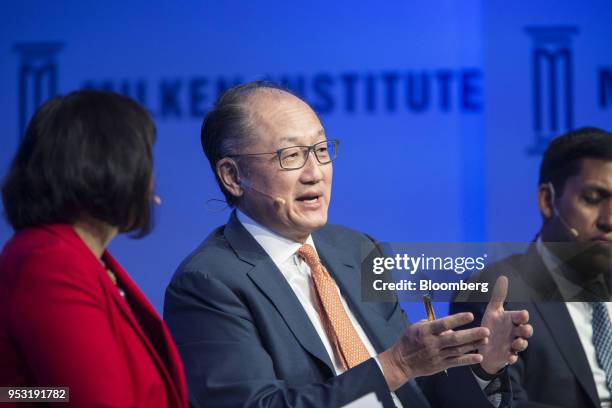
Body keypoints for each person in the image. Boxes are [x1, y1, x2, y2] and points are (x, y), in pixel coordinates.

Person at [164, 81, 532, 408]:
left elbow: (418, 387)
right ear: (232, 176)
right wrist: (395, 365)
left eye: (321, 150)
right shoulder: (208, 282)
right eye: (290, 156)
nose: (315, 173)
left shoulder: (356, 250)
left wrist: (483, 365)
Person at [0, 90, 188, 407]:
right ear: (112, 168)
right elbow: (81, 397)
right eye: (145, 164)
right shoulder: (50, 261)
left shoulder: (77, 256)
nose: (151, 184)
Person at [451, 127, 612, 407]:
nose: (609, 220)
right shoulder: (495, 292)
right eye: (593, 199)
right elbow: (502, 404)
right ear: (548, 201)